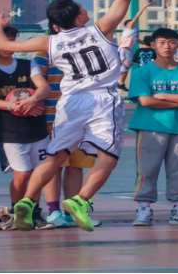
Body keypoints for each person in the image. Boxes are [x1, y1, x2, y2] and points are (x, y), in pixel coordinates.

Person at [0, 0, 131, 233]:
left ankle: (28, 201)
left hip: (70, 102)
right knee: (108, 158)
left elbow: (4, 45)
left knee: (56, 156)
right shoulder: (100, 29)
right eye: (81, 7)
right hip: (102, 100)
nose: (85, 9)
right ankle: (80, 200)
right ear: (79, 17)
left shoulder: (49, 42)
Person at [128, 28, 178, 226]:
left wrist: (163, 96)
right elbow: (145, 101)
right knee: (147, 169)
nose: (167, 46)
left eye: (171, 42)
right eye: (161, 42)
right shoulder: (143, 72)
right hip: (150, 127)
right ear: (153, 45)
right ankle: (144, 208)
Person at [0, 26, 52, 229]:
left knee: (38, 173)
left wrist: (33, 99)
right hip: (8, 130)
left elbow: (44, 87)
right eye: (1, 42)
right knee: (22, 174)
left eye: (11, 41)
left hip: (36, 127)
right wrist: (14, 106)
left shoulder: (27, 64)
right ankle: (17, 211)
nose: (7, 46)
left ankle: (34, 213)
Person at [32, 40, 101, 229]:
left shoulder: (86, 51)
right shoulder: (43, 53)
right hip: (54, 118)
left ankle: (72, 213)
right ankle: (54, 211)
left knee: (76, 166)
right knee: (55, 165)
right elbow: (38, 86)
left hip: (83, 117)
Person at [117, 1, 152, 92]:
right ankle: (119, 82)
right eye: (131, 22)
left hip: (127, 50)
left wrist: (149, 43)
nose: (133, 23)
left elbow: (141, 42)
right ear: (127, 25)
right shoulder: (129, 29)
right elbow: (136, 17)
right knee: (124, 68)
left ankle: (121, 83)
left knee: (125, 68)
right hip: (124, 50)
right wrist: (144, 6)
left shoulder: (133, 33)